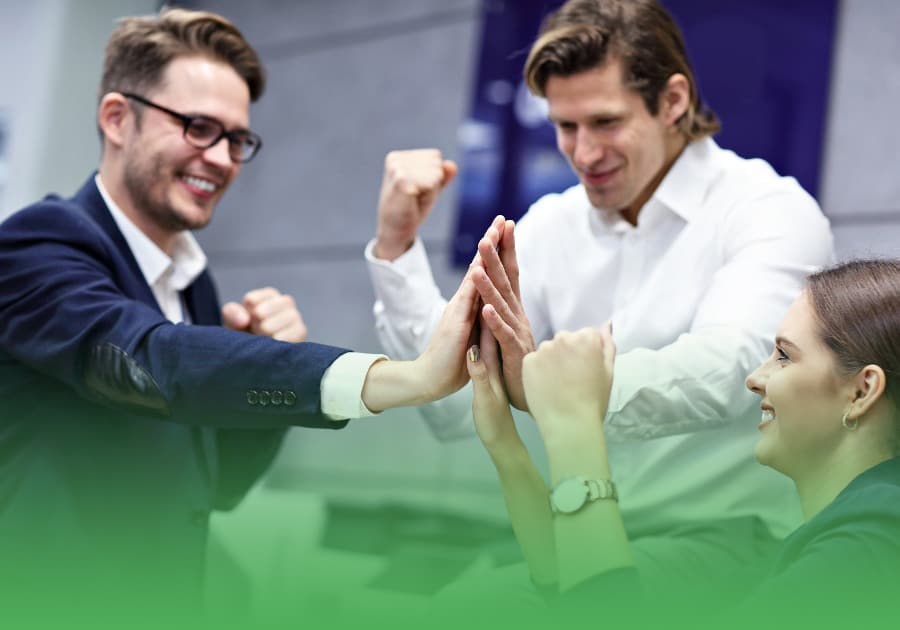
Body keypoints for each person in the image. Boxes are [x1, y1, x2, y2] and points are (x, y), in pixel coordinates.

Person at [0, 8, 484, 619]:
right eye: (200, 127)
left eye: (237, 139)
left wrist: (250, 368)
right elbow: (143, 360)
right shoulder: (37, 244)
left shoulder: (194, 284)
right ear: (118, 119)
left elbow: (216, 489)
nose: (223, 158)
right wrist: (395, 379)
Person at [366, 0, 833, 584]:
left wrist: (560, 392)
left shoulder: (769, 210)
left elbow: (737, 369)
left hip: (730, 540)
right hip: (571, 528)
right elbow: (452, 406)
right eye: (566, 126)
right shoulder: (547, 226)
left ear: (673, 101)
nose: (583, 153)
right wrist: (396, 246)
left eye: (606, 123)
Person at [464, 258, 900, 624]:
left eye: (784, 356)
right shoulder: (852, 533)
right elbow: (572, 590)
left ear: (862, 392)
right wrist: (507, 448)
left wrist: (574, 427)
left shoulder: (873, 542)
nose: (755, 378)